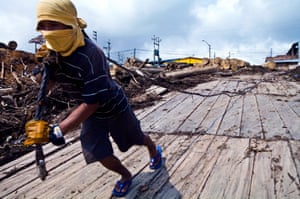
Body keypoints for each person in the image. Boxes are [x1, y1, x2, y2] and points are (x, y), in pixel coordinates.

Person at [34, 0, 162, 197]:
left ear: (69, 23)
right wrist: (44, 66)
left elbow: (92, 102)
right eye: (44, 26)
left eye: (54, 24)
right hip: (90, 115)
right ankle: (126, 175)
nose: (48, 31)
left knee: (135, 138)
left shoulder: (91, 54)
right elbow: (44, 83)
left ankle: (153, 149)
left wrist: (59, 130)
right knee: (98, 152)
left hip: (113, 107)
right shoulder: (50, 49)